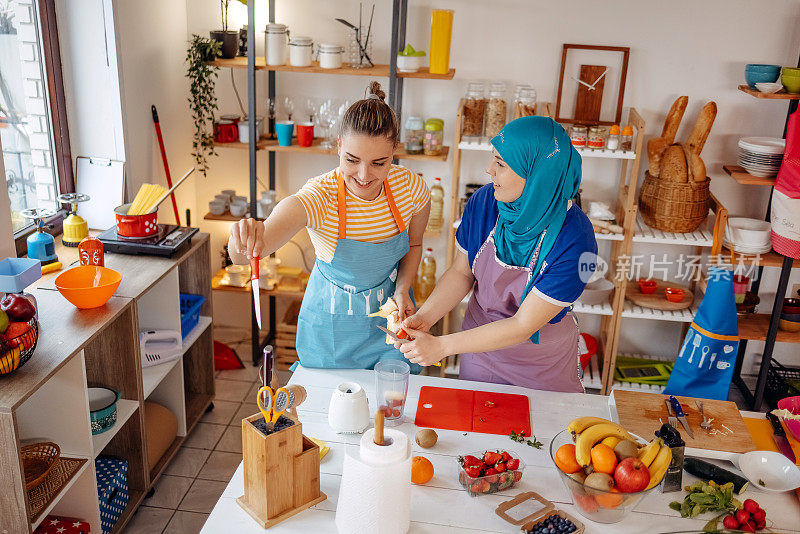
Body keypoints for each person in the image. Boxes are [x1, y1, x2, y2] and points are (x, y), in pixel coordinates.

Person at [228, 82, 430, 370]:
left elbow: (414, 244)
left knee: (391, 407)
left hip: (390, 323)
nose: (363, 175)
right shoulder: (319, 197)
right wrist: (242, 240)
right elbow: (248, 253)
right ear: (338, 147)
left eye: (379, 163)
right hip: (331, 329)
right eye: (352, 159)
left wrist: (403, 287)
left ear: (394, 152)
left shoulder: (411, 188)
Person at [397, 116, 597, 392]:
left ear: (537, 174)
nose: (489, 170)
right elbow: (461, 272)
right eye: (493, 159)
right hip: (479, 349)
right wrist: (426, 318)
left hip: (541, 364)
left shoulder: (576, 240)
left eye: (501, 164)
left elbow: (523, 325)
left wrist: (441, 346)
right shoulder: (484, 202)